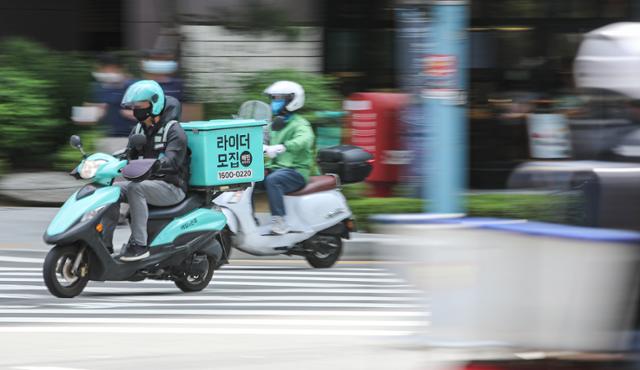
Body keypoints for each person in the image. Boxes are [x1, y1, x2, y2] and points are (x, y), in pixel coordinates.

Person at [116, 80, 190, 261]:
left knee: (135, 188)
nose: (136, 110)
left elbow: (173, 162)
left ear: (154, 104)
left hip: (172, 187)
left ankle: (140, 245)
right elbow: (128, 155)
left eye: (140, 106)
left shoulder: (173, 131)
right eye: (134, 106)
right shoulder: (139, 129)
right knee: (112, 190)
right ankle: (103, 241)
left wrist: (151, 165)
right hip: (148, 184)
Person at [258, 81, 315, 235]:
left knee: (273, 180)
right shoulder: (275, 124)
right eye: (273, 99)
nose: (274, 103)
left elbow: (305, 140)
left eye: (278, 99)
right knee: (248, 181)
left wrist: (283, 146)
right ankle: (250, 220)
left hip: (296, 171)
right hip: (277, 168)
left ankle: (280, 221)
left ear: (292, 100)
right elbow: (263, 138)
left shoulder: (300, 124)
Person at [74, 53, 137, 154]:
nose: (103, 72)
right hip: (106, 138)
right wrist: (89, 115)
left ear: (120, 68)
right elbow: (94, 114)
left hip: (129, 138)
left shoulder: (135, 86)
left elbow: (150, 113)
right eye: (100, 69)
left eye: (108, 69)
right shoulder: (98, 88)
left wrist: (131, 113)